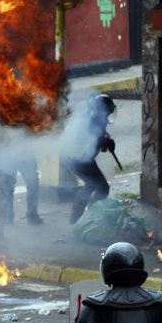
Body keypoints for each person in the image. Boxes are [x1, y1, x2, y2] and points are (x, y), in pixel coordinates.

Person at [61, 93, 117, 224]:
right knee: (101, 187)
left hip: (83, 158)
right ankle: (88, 214)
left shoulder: (96, 119)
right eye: (107, 111)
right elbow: (87, 142)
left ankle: (80, 216)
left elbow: (99, 144)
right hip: (78, 158)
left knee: (94, 185)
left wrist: (106, 142)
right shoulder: (90, 121)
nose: (108, 114)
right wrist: (104, 142)